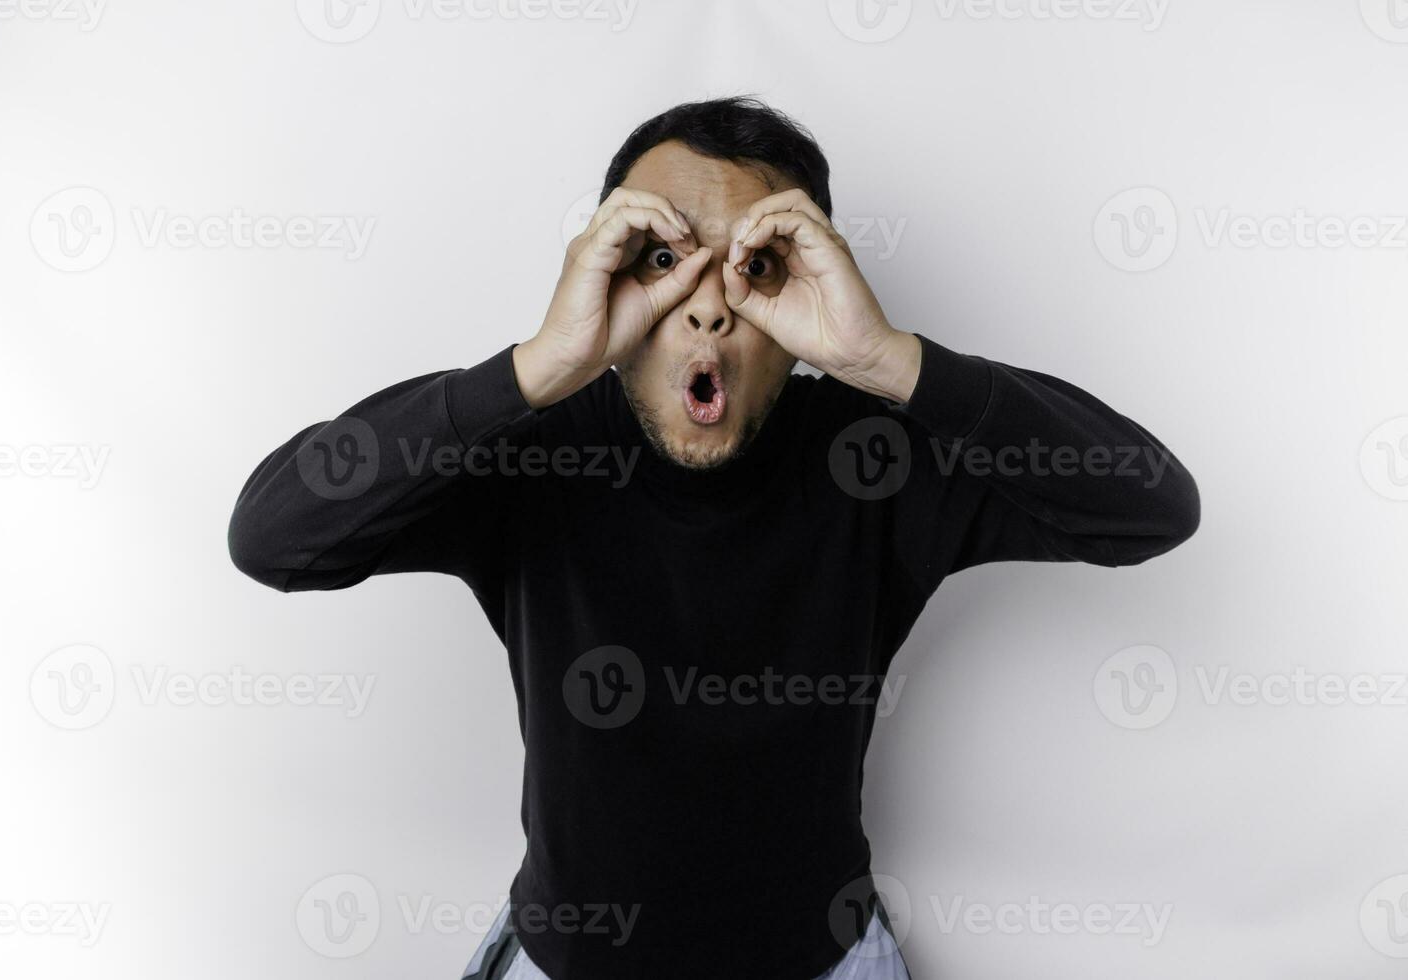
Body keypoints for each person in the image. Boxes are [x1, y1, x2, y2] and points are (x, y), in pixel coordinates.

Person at [228, 96, 1200, 980]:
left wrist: (888, 359)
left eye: (757, 265)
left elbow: (1151, 503)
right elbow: (274, 535)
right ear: (600, 273)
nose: (705, 303)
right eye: (660, 257)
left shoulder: (876, 458)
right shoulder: (527, 452)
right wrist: (533, 367)